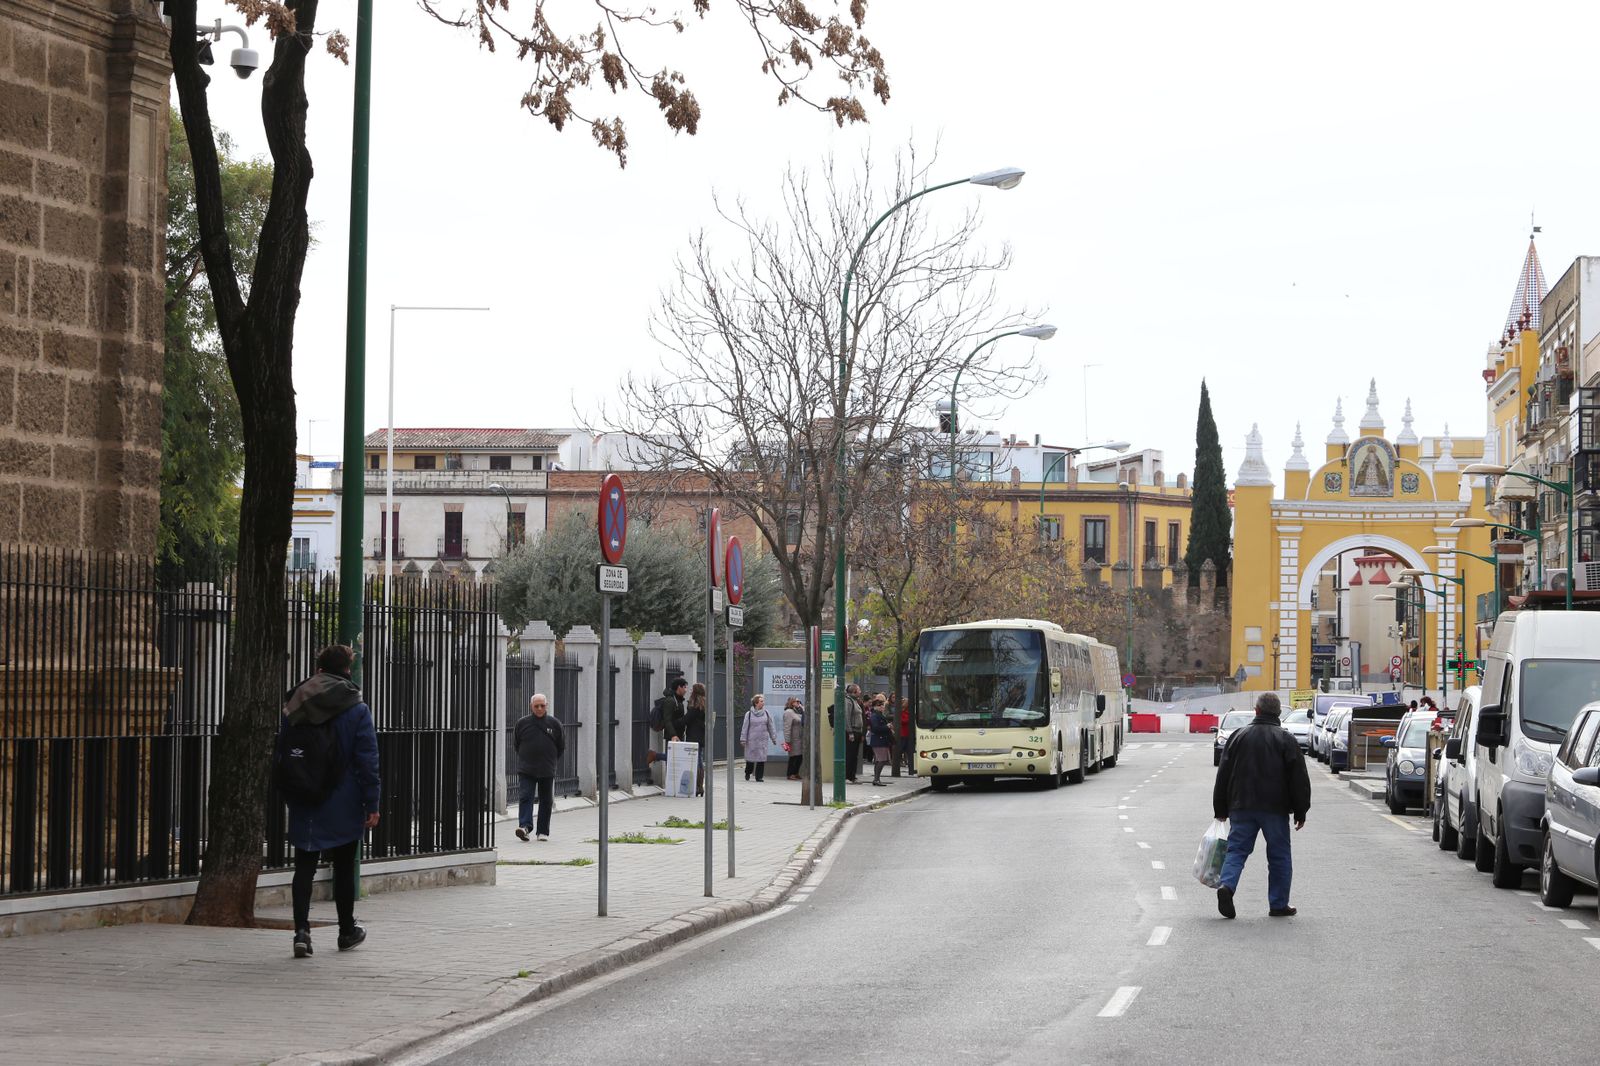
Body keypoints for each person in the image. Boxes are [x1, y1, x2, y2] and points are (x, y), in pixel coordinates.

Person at [281, 644, 380, 959]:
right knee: (344, 866)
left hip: (303, 794)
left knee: (304, 867)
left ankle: (301, 931)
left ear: (319, 669)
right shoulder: (356, 707)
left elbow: (283, 750)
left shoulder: (296, 700)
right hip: (344, 797)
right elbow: (368, 760)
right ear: (348, 670)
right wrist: (372, 802)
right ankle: (346, 930)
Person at [1211, 692, 1311, 919]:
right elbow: (1299, 778)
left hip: (1241, 805)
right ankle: (1278, 904)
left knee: (1236, 850)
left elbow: (1223, 774)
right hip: (1275, 809)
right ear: (1278, 714)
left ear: (1256, 711)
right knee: (1279, 855)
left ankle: (1226, 886)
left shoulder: (1238, 736)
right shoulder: (1286, 739)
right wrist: (1301, 810)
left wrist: (1221, 808)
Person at [513, 692, 564, 842]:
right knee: (525, 797)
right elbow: (517, 744)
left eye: (542, 705)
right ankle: (525, 827)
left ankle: (542, 832)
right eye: (536, 706)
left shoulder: (555, 724)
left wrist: (551, 760)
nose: (539, 708)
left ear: (546, 706)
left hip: (547, 769)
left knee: (546, 800)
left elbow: (561, 746)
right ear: (531, 707)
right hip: (527, 769)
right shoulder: (522, 723)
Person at [830, 683, 867, 783]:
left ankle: (852, 776)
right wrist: (850, 732)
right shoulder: (849, 701)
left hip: (857, 731)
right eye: (859, 690)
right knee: (850, 755)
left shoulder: (856, 701)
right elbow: (847, 717)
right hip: (852, 731)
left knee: (854, 755)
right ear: (854, 691)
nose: (860, 691)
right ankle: (847, 777)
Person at [741, 694, 777, 782]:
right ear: (756, 703)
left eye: (763, 701)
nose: (763, 703)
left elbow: (771, 726)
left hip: (762, 740)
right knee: (750, 759)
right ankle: (748, 772)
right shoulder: (749, 714)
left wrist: (773, 738)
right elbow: (745, 727)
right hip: (751, 740)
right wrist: (743, 739)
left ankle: (759, 777)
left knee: (761, 758)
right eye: (761, 701)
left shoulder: (766, 713)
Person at [685, 682, 709, 795]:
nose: (690, 691)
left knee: (697, 760)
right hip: (701, 735)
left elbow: (687, 719)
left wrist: (675, 723)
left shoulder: (695, 705)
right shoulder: (704, 704)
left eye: (691, 690)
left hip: (694, 736)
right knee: (699, 759)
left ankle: (698, 786)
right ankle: (700, 786)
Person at [867, 695, 895, 786]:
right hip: (879, 741)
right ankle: (876, 779)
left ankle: (876, 779)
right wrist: (887, 726)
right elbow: (875, 728)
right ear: (875, 707)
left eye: (882, 705)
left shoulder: (878, 715)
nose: (882, 707)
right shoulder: (875, 715)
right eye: (880, 705)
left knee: (880, 760)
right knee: (881, 760)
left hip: (882, 740)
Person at [783, 698, 806, 780]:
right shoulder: (789, 712)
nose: (799, 703)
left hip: (800, 738)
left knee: (800, 756)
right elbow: (787, 726)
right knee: (793, 756)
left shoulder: (799, 711)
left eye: (799, 701)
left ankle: (796, 773)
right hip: (793, 738)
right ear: (792, 703)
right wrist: (787, 740)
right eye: (797, 701)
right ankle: (790, 774)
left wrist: (803, 711)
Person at [894, 696, 915, 778]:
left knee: (910, 752)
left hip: (909, 734)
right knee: (900, 751)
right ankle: (897, 765)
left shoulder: (909, 712)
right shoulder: (901, 712)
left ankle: (911, 768)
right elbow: (902, 721)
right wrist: (910, 719)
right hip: (902, 734)